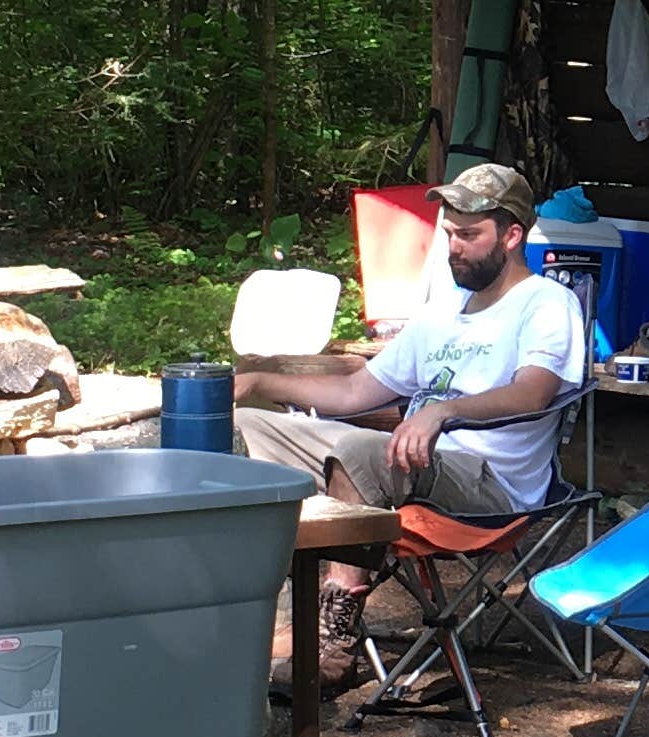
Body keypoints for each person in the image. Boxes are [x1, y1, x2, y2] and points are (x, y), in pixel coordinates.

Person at [237, 159, 588, 687]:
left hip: (492, 483)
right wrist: (260, 383)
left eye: (469, 235)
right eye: (449, 234)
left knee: (359, 449)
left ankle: (336, 639)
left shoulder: (544, 303)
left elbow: (533, 390)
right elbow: (356, 392)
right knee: (249, 427)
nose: (453, 247)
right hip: (416, 459)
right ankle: (269, 610)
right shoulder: (441, 314)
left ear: (512, 235)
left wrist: (441, 412)